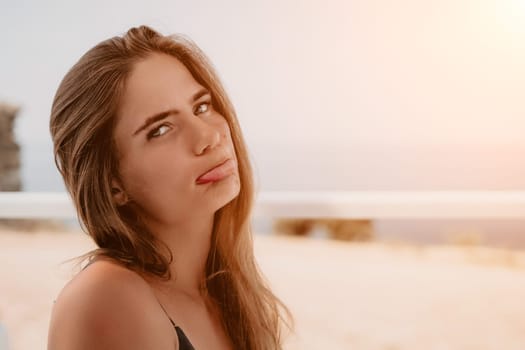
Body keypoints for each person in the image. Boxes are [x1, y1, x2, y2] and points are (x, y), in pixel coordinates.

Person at [47, 25, 292, 350]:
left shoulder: (233, 294)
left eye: (202, 107)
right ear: (112, 183)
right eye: (161, 129)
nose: (208, 136)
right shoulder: (108, 297)